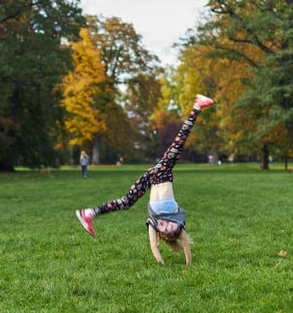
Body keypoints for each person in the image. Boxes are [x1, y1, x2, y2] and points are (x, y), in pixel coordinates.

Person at [74, 94, 215, 265]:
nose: (169, 231)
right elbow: (185, 243)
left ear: (164, 236)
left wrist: (161, 262)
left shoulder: (154, 224)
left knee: (126, 202)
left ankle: (89, 213)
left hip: (153, 177)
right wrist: (189, 265)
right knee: (179, 142)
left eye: (167, 233)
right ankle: (197, 106)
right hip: (163, 172)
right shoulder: (178, 223)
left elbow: (153, 246)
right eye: (172, 232)